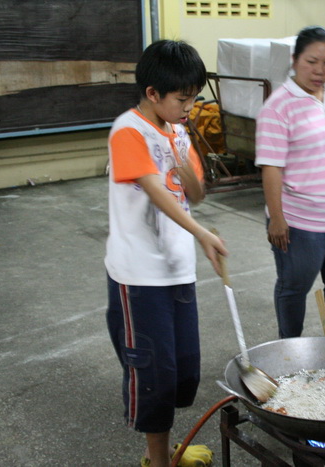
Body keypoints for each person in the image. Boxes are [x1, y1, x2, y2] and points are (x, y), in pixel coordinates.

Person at [104, 40, 227, 467]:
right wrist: (202, 235)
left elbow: (196, 193)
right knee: (153, 375)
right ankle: (158, 459)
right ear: (153, 93)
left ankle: (168, 446)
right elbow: (157, 194)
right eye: (183, 98)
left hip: (178, 271)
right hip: (139, 276)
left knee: (183, 371)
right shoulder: (128, 130)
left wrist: (181, 161)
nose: (190, 106)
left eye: (194, 97)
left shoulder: (177, 130)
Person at [255, 26, 325, 338]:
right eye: (311, 61)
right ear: (294, 60)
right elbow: (272, 168)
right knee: (293, 289)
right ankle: (290, 353)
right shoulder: (278, 106)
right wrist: (277, 218)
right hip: (301, 222)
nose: (320, 70)